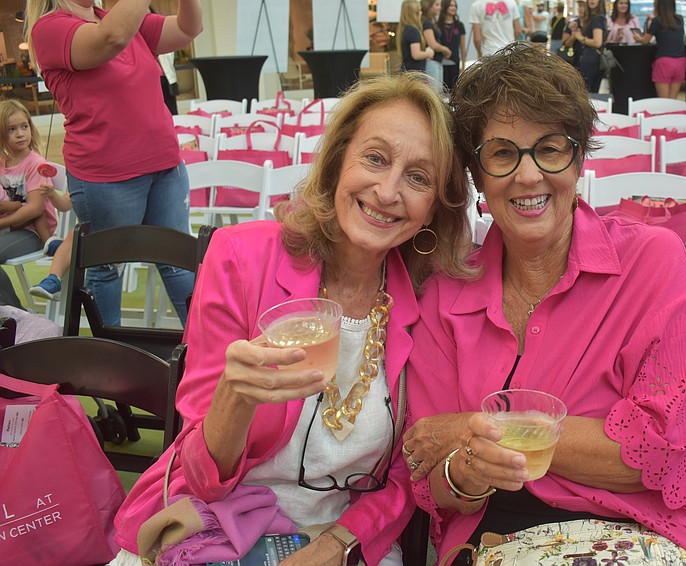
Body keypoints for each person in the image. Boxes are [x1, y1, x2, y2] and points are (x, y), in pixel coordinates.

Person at [110, 74, 474, 566]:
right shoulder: (241, 257)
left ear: (433, 208)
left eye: (418, 177)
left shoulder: (429, 301)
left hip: (342, 533)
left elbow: (412, 471)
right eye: (375, 158)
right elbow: (201, 476)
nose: (388, 191)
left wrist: (334, 545)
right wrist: (232, 400)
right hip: (216, 518)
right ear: (339, 160)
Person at [401, 43, 686, 566]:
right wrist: (466, 474)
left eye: (550, 148)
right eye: (503, 154)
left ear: (578, 156)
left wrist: (476, 428)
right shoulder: (446, 293)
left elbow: (661, 452)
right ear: (478, 177)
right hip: (490, 543)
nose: (528, 176)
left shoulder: (651, 264)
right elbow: (430, 482)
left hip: (632, 533)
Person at [26, 0, 201, 328]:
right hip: (107, 177)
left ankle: (204, 353)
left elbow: (188, 29)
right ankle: (114, 361)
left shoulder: (119, 18)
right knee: (107, 268)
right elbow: (111, 39)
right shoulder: (50, 28)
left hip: (164, 166)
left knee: (180, 262)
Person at [0, 100, 57, 302]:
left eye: (24, 127)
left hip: (34, 232)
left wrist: (2, 222)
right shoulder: (2, 163)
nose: (20, 133)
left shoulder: (35, 164)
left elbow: (34, 209)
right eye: (11, 129)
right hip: (11, 228)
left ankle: (15, 317)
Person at [633, 0, 686, 99]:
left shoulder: (657, 21)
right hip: (680, 61)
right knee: (673, 101)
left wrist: (637, 37)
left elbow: (645, 40)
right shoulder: (680, 19)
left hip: (664, 62)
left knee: (663, 102)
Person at [29, 187, 73, 301]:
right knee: (78, 232)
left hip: (115, 233)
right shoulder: (85, 176)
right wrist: (52, 194)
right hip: (90, 231)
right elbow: (65, 204)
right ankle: (53, 280)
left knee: (78, 236)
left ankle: (62, 247)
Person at [567, 0, 607, 93]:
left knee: (586, 93)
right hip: (590, 60)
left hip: (591, 61)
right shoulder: (592, 19)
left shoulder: (597, 19)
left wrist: (581, 38)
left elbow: (597, 42)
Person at [422, 0, 452, 87]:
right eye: (437, 5)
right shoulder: (427, 23)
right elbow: (432, 44)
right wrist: (446, 50)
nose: (440, 7)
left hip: (437, 60)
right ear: (429, 6)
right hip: (431, 61)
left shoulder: (432, 22)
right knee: (434, 91)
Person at [400, 0, 435, 73]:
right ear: (413, 14)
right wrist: (428, 53)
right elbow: (416, 54)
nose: (421, 13)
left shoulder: (405, 29)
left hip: (408, 72)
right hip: (415, 73)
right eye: (419, 11)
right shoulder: (413, 31)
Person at [439, 0, 466, 90]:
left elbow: (462, 46)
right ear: (445, 7)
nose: (453, 8)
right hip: (441, 63)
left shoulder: (459, 25)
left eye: (455, 6)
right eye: (451, 5)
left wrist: (463, 66)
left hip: (454, 62)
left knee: (453, 91)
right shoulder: (438, 25)